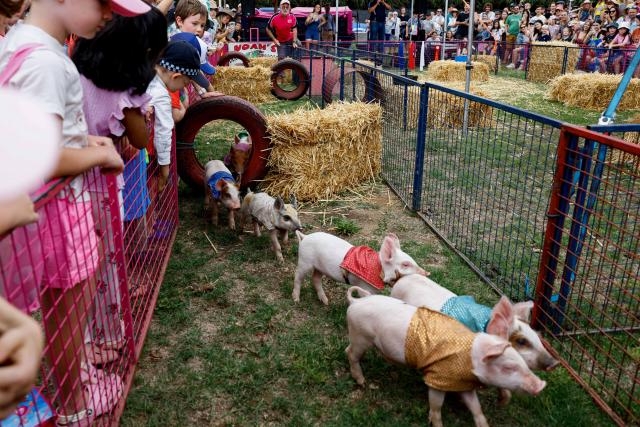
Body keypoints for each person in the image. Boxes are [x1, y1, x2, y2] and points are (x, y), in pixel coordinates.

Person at [0, 0, 151, 423]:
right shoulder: (48, 63)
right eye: (103, 3)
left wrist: (86, 142)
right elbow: (43, 153)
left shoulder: (23, 43)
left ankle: (73, 384)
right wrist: (98, 156)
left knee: (65, 310)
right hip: (63, 209)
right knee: (68, 313)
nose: (110, 14)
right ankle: (73, 404)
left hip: (47, 205)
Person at [72, 8, 168, 366]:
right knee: (105, 263)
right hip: (103, 182)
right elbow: (140, 140)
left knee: (79, 268)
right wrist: (143, 114)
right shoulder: (123, 90)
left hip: (70, 180)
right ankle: (107, 334)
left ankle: (83, 338)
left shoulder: (77, 72)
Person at [148, 40, 209, 196]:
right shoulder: (161, 94)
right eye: (186, 82)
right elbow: (163, 131)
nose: (185, 86)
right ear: (176, 76)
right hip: (144, 153)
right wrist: (164, 169)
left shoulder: (145, 74)